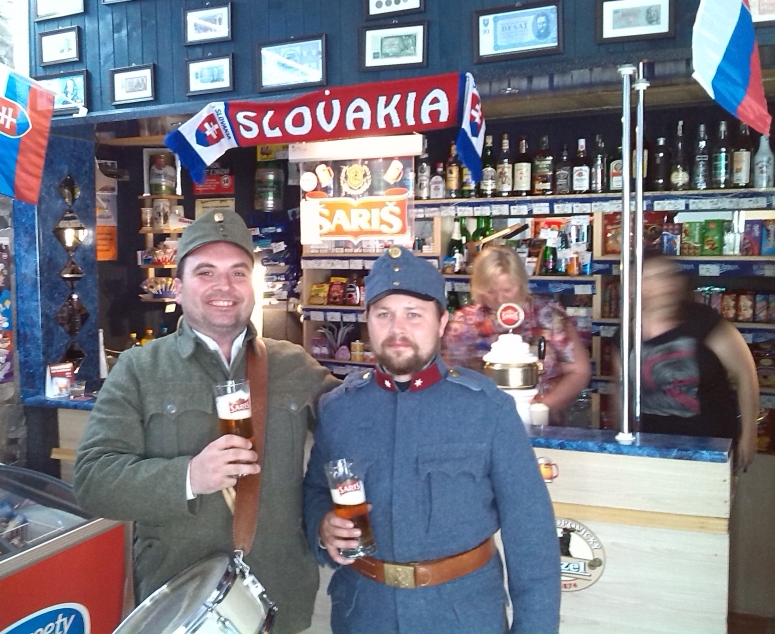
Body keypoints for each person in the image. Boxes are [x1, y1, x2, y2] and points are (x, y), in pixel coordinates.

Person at [74, 209, 339, 634]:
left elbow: (360, 428)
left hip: (280, 598)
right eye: (205, 272)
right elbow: (93, 481)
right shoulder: (139, 370)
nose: (224, 286)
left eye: (238, 273)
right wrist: (190, 476)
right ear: (178, 288)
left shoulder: (295, 366)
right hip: (181, 604)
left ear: (252, 287)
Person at [303, 246, 560, 634]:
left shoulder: (487, 409)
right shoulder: (339, 409)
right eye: (384, 314)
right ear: (367, 320)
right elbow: (315, 491)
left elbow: (532, 536)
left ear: (441, 322)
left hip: (463, 617)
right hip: (364, 615)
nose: (397, 329)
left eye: (413, 314)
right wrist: (323, 526)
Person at [623, 254, 758, 470]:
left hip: (710, 450)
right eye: (651, 278)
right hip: (651, 451)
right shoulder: (626, 335)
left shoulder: (704, 321)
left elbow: (745, 373)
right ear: (634, 286)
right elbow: (622, 392)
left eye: (667, 275)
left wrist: (749, 435)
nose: (663, 284)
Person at [441, 245, 591, 423]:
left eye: (507, 289)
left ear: (521, 283)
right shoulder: (465, 322)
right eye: (490, 291)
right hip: (481, 423)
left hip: (542, 425)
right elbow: (447, 375)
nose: (500, 299)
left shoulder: (549, 315)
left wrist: (542, 407)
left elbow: (578, 371)